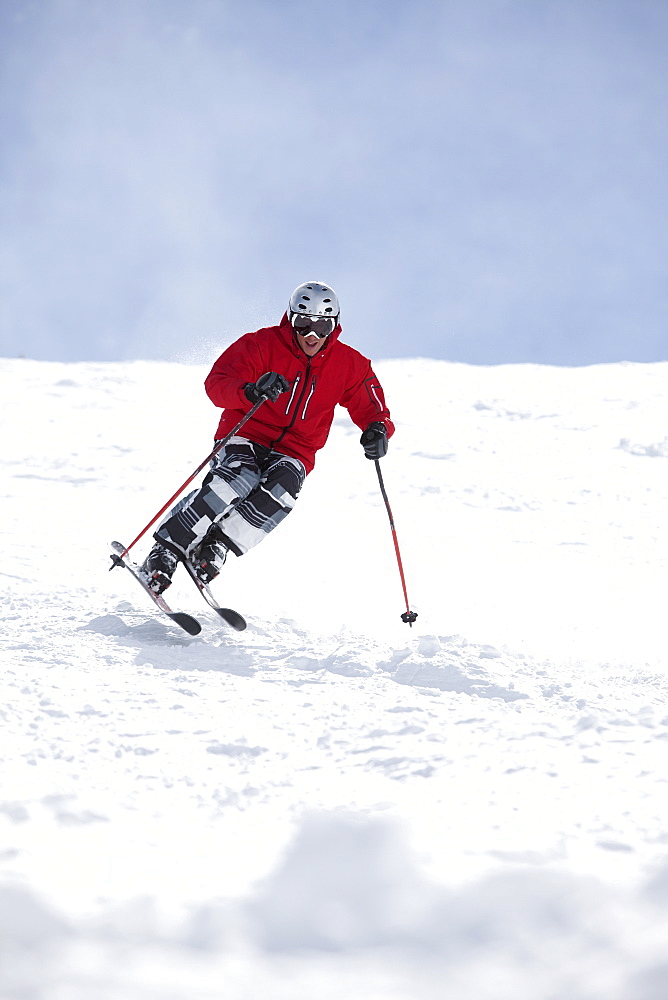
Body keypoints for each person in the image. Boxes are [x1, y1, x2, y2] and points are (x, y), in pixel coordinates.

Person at [140, 280, 394, 594]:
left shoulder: (349, 364)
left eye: (322, 325)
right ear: (290, 319)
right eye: (303, 323)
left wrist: (378, 429)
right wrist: (250, 390)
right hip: (245, 433)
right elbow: (217, 382)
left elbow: (373, 406)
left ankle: (216, 545)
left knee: (282, 491)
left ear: (335, 326)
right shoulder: (262, 344)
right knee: (239, 479)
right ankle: (166, 548)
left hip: (296, 450)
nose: (312, 335)